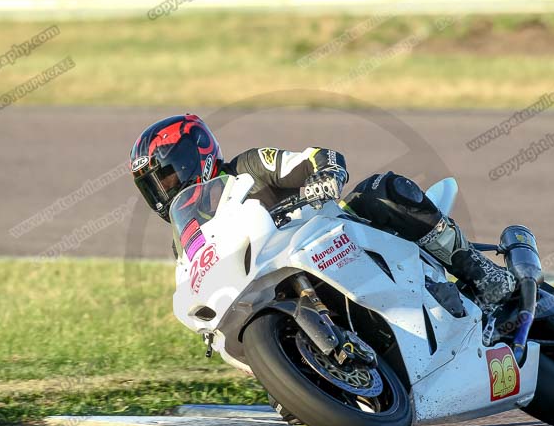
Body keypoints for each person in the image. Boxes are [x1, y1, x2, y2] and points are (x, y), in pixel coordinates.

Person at [130, 114, 515, 305]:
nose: (162, 191)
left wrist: (325, 173)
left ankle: (476, 270)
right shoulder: (186, 239)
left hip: (335, 243)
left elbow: (317, 157)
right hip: (282, 287)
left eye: (164, 177)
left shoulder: (248, 166)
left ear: (192, 156)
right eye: (153, 186)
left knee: (379, 191)